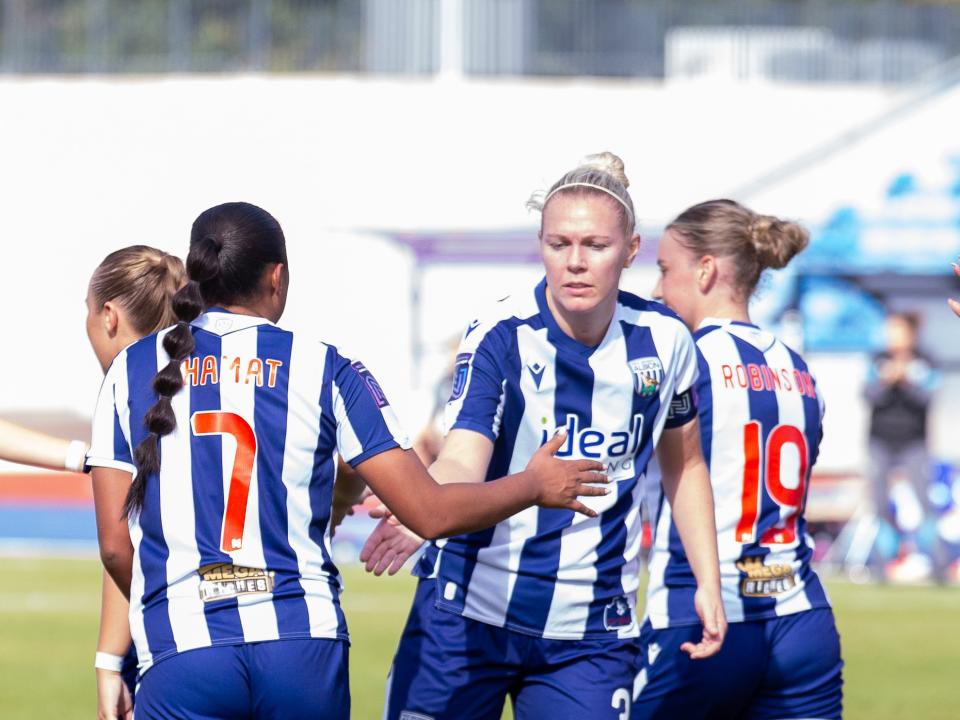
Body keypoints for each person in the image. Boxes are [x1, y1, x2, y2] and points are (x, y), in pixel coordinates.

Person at [86, 201, 608, 720]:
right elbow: (430, 513)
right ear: (277, 277)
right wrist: (533, 484)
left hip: (185, 651)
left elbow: (115, 546)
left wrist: (167, 610)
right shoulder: (327, 366)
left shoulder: (131, 370)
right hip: (302, 645)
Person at [374, 153, 725, 720]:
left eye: (595, 245)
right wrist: (424, 508)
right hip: (467, 614)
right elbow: (463, 455)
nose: (576, 263)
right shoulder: (500, 334)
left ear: (632, 251)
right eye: (558, 244)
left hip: (589, 633)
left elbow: (685, 467)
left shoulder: (666, 343)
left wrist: (709, 581)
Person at [634, 199, 843, 719]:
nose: (657, 288)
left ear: (705, 270)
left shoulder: (683, 359)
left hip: (702, 615)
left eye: (664, 270)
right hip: (801, 618)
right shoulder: (798, 369)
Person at [0, 245, 186, 720]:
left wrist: (107, 662)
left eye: (87, 309)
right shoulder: (213, 377)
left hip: (177, 638)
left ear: (108, 316)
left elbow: (118, 546)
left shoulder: (124, 385)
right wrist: (87, 459)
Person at [864, 311, 939, 578]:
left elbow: (928, 397)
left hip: (914, 443)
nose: (891, 336)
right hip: (881, 441)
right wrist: (887, 381)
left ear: (910, 334)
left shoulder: (925, 361)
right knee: (880, 503)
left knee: (923, 502)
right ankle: (883, 566)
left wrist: (906, 381)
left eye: (896, 330)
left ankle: (936, 564)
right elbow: (867, 394)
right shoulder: (878, 360)